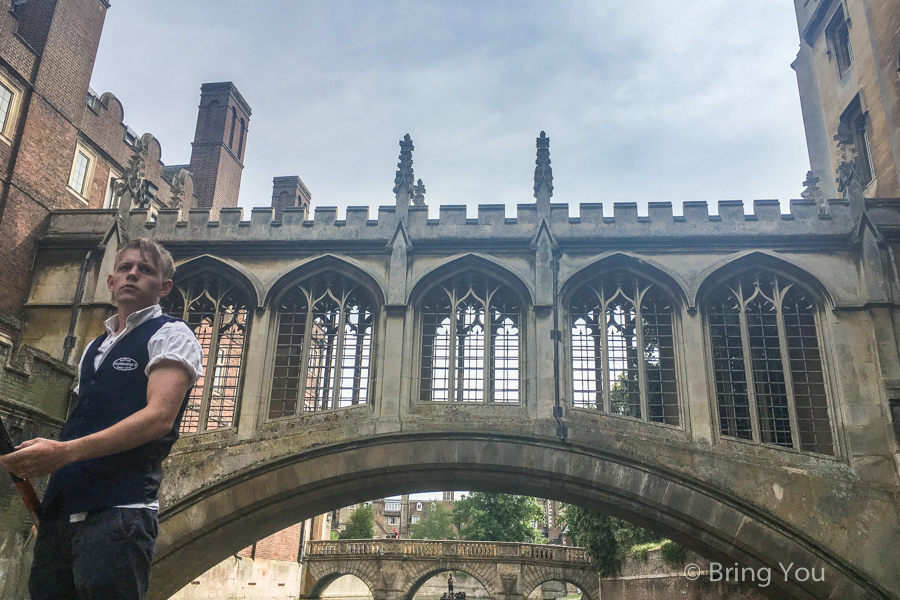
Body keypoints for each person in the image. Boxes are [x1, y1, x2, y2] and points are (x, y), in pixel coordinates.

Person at [0, 238, 203, 600]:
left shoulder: (171, 334)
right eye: (125, 268)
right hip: (61, 520)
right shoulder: (95, 347)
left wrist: (63, 453)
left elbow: (158, 419)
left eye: (146, 270)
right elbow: (84, 420)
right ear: (110, 281)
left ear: (164, 286)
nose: (133, 274)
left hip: (119, 517)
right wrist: (54, 504)